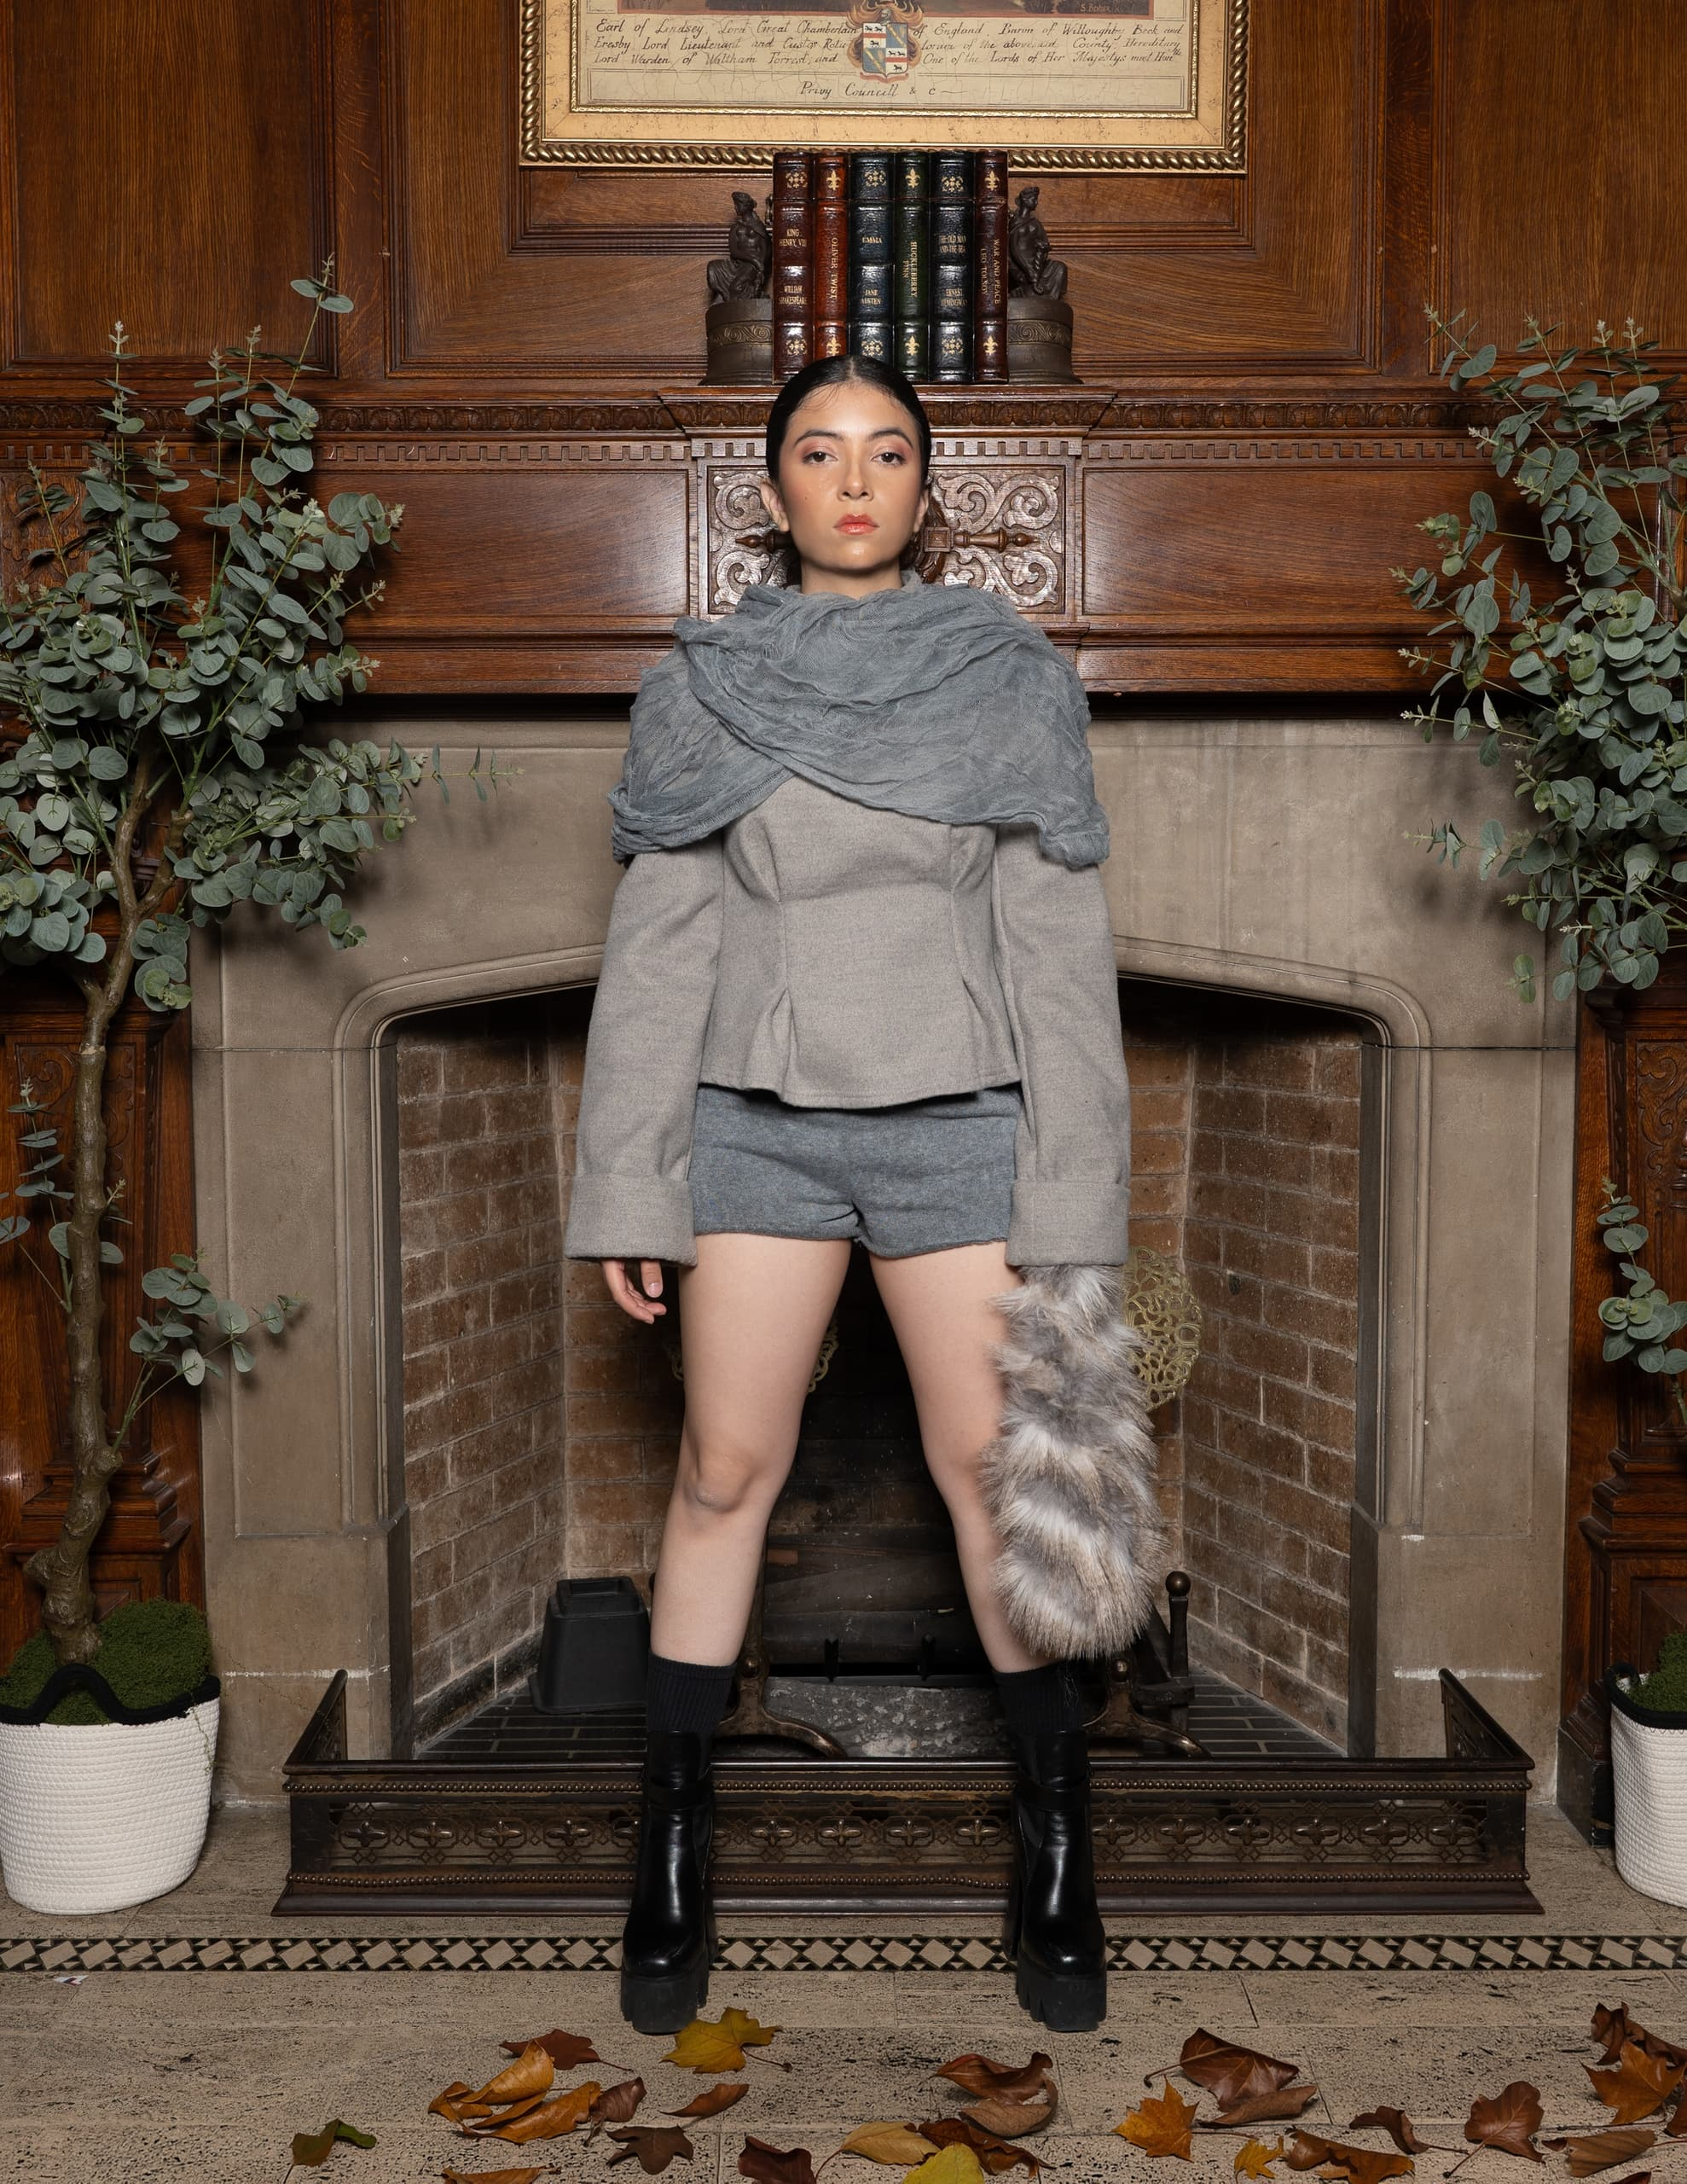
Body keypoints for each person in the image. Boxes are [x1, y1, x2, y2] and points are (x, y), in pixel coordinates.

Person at [563, 353, 1159, 2038]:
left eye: (883, 452)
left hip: (962, 1125)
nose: (849, 479)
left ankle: (1057, 1844)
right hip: (751, 1125)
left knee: (997, 1481)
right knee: (720, 1466)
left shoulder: (1006, 677)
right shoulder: (703, 687)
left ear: (921, 489)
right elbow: (659, 950)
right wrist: (626, 1185)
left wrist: (1075, 1208)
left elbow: (1058, 958)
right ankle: (668, 1844)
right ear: (771, 491)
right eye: (816, 452)